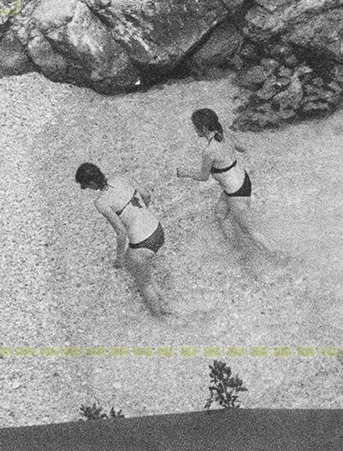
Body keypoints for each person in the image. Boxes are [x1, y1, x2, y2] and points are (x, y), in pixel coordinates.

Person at [175, 107, 274, 253]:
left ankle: (279, 257)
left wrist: (185, 172)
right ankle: (237, 250)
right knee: (220, 214)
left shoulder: (208, 151)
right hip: (243, 180)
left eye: (195, 127)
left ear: (203, 128)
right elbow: (243, 148)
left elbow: (203, 177)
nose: (194, 130)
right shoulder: (225, 136)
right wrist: (229, 137)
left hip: (236, 192)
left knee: (249, 230)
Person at [76, 162, 167, 316]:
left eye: (84, 186)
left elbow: (121, 233)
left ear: (91, 183)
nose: (85, 189)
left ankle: (161, 322)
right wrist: (141, 215)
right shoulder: (120, 176)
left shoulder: (101, 202)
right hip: (157, 230)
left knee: (144, 284)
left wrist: (118, 259)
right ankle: (166, 303)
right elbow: (146, 195)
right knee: (141, 270)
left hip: (143, 243)